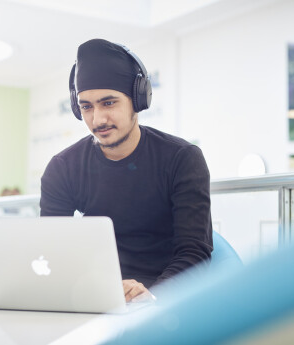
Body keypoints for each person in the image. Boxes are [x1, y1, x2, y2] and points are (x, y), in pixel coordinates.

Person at [40, 39, 213, 302]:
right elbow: (52, 250)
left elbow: (194, 253)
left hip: (166, 299)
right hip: (97, 297)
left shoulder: (182, 159)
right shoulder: (63, 167)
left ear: (138, 99)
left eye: (108, 103)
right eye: (86, 106)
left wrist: (151, 298)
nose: (97, 119)